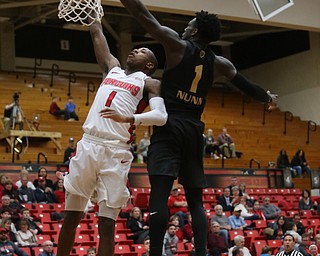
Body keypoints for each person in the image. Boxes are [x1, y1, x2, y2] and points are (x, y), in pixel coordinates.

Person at [118, 1, 277, 255]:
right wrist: (267, 98)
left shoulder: (176, 45)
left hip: (168, 125)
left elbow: (142, 14)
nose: (185, 27)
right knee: (195, 201)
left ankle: (155, 253)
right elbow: (248, 86)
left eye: (189, 24)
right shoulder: (221, 63)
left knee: (159, 194)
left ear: (194, 31)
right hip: (194, 130)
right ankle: (201, 253)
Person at [56, 18, 167, 256]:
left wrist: (128, 119)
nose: (136, 50)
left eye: (143, 51)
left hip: (115, 152)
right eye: (136, 48)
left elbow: (161, 115)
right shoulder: (112, 67)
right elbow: (97, 33)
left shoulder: (150, 83)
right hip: (89, 145)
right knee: (71, 216)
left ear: (149, 65)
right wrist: (93, 11)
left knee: (107, 224)